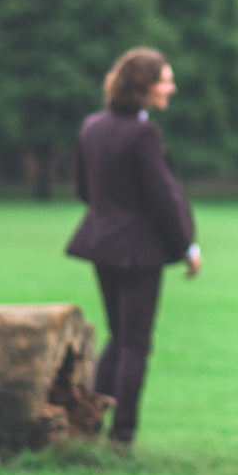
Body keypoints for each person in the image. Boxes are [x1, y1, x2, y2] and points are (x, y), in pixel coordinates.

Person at [65, 47, 201, 450]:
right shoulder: (144, 133)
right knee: (135, 341)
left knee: (119, 336)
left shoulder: (92, 126)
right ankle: (121, 435)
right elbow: (165, 198)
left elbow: (82, 189)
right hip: (139, 250)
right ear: (144, 86)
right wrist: (187, 246)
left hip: (102, 243)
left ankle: (86, 421)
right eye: (165, 80)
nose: (171, 88)